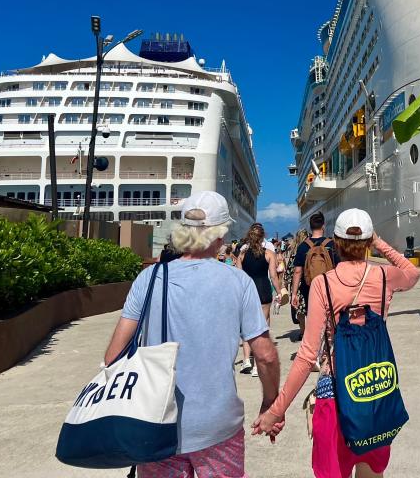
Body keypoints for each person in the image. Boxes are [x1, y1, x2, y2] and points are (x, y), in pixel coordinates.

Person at [103, 191, 280, 478]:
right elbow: (266, 355)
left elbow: (113, 356)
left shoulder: (149, 279)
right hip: (219, 426)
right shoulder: (238, 282)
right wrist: (270, 403)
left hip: (156, 424)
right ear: (221, 235)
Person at [253, 208, 420, 478]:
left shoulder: (323, 285)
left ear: (337, 242)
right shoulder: (385, 277)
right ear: (367, 242)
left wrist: (276, 410)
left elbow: (307, 357)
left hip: (336, 398)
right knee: (372, 473)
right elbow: (412, 273)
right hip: (375, 392)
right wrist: (378, 242)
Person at [237, 223, 282, 376]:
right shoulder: (269, 253)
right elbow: (274, 276)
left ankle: (246, 360)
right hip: (263, 290)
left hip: (247, 292)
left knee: (247, 326)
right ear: (263, 236)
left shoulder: (242, 254)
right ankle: (258, 366)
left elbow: (238, 277)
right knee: (262, 328)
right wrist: (279, 291)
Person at [291, 212, 337, 337]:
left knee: (313, 317)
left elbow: (297, 271)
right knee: (330, 315)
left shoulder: (303, 246)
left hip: (309, 288)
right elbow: (339, 268)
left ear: (310, 226)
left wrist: (294, 294)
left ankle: (317, 343)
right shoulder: (332, 244)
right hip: (330, 287)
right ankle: (329, 342)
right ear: (323, 226)